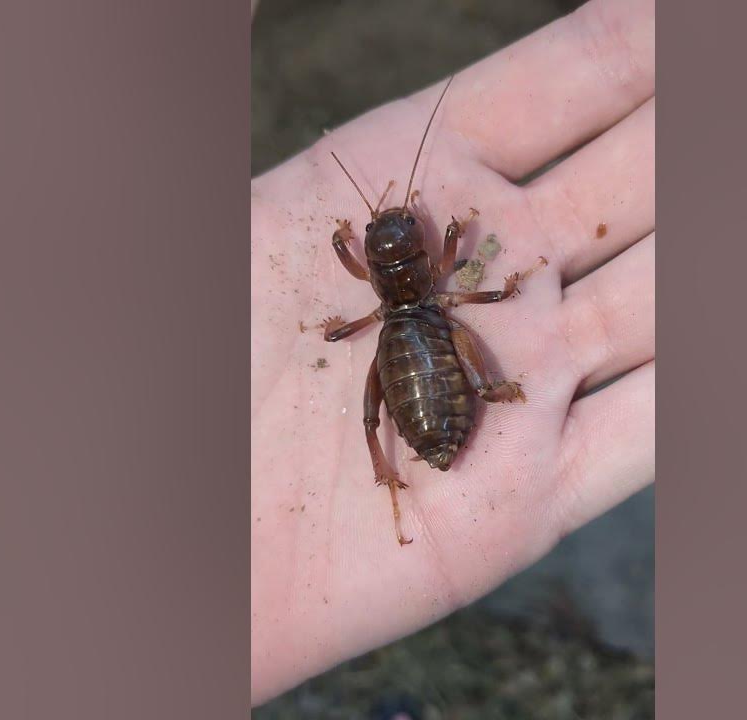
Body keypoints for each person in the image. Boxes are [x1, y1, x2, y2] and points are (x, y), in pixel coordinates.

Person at [250, 0, 654, 704]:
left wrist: (346, 239)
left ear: (379, 267)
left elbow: (354, 296)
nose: (400, 232)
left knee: (374, 415)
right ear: (404, 255)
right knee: (394, 395)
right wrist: (460, 235)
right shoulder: (431, 284)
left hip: (402, 339)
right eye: (397, 233)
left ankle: (406, 475)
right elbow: (480, 292)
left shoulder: (380, 292)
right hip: (419, 336)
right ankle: (447, 433)